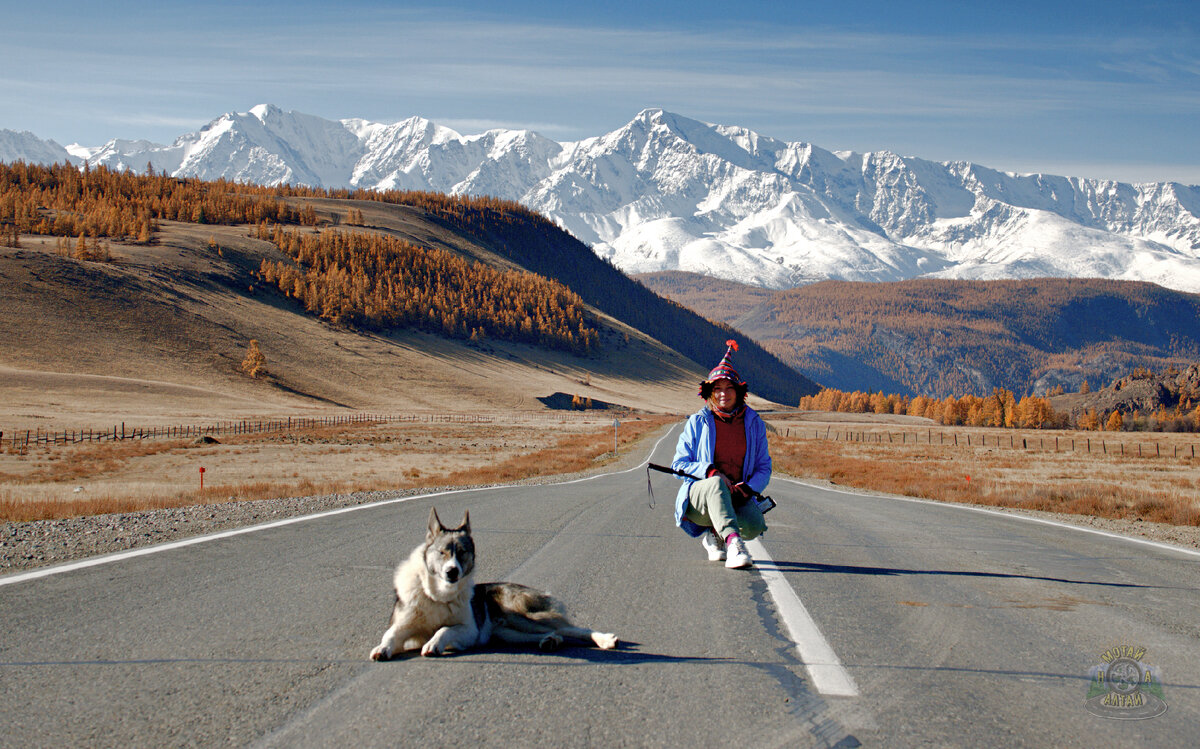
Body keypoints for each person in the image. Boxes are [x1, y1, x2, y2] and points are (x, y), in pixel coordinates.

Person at [671, 339, 771, 569]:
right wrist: (709, 470)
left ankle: (715, 531)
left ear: (738, 391)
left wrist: (749, 488)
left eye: (728, 388)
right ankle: (733, 544)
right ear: (710, 394)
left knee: (755, 524)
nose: (723, 393)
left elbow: (764, 466)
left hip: (736, 494)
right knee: (716, 483)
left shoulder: (754, 423)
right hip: (700, 496)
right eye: (717, 389)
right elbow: (679, 464)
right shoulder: (698, 422)